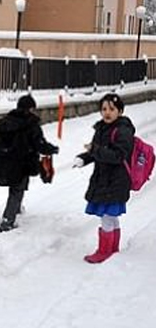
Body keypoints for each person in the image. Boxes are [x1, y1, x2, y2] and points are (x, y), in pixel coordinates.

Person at [73, 93, 134, 263]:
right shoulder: (101, 128)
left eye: (112, 109)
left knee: (107, 215)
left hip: (116, 180)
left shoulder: (123, 130)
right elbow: (97, 152)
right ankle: (112, 247)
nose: (107, 112)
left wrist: (95, 150)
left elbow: (118, 156)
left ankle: (104, 250)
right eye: (104, 109)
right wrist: (83, 158)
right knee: (110, 215)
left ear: (120, 111)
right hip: (103, 179)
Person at [0, 94, 59, 232]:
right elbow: (39, 144)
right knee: (17, 189)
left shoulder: (4, 123)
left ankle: (16, 210)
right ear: (30, 109)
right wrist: (52, 149)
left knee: (18, 187)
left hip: (4, 163)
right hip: (21, 163)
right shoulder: (30, 124)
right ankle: (7, 221)